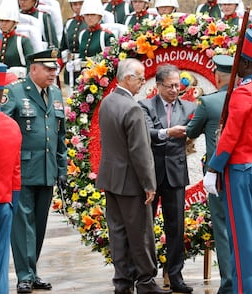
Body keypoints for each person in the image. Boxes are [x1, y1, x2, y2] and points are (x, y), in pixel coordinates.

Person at [203, 29, 252, 294]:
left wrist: (214, 167)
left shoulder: (242, 95)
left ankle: (246, 290)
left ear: (245, 64)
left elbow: (230, 135)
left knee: (241, 233)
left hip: (239, 169)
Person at [96, 59, 172, 294]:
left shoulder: (108, 102)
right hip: (131, 182)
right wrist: (149, 184)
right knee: (140, 233)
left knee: (118, 232)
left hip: (111, 178)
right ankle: (146, 281)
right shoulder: (132, 108)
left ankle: (122, 281)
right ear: (127, 78)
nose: (142, 82)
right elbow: (140, 151)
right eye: (139, 78)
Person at [1, 48, 67, 293]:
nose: (52, 73)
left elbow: (60, 136)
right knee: (23, 225)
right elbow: (3, 130)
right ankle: (24, 276)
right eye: (48, 69)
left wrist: (62, 168)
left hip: (47, 170)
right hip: (22, 170)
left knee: (39, 224)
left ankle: (33, 271)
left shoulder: (57, 93)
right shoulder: (16, 93)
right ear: (34, 69)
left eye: (54, 69)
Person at [139, 64, 196, 294]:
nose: (174, 90)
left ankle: (175, 275)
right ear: (158, 85)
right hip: (151, 174)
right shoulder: (145, 106)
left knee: (176, 227)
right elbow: (147, 133)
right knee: (146, 227)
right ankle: (146, 276)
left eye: (177, 85)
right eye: (169, 86)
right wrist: (167, 133)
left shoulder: (190, 106)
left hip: (176, 173)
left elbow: (195, 129)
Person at [186, 55, 234, 294]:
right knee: (244, 227)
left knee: (223, 229)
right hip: (244, 171)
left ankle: (229, 284)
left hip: (218, 173)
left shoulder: (209, 102)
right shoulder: (245, 98)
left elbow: (191, 131)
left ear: (217, 76)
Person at [0, 60, 22, 294]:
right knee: (1, 265)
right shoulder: (12, 126)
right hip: (6, 203)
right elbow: (16, 173)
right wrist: (12, 202)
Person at [0, 0, 34, 78]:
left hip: (17, 83)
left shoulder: (22, 41)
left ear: (14, 22)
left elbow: (31, 66)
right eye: (1, 20)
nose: (3, 24)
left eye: (7, 21)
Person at [60, 0, 87, 94]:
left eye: (81, 4)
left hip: (84, 68)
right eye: (75, 4)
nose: (78, 7)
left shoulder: (90, 22)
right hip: (70, 68)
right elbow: (63, 46)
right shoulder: (69, 23)